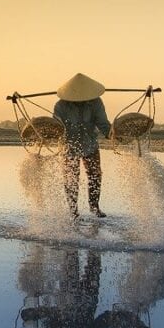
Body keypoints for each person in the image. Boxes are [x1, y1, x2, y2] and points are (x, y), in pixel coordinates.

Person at [53, 73, 111, 220]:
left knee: (95, 174)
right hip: (68, 145)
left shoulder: (95, 102)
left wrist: (113, 135)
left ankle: (94, 206)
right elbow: (57, 127)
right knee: (71, 177)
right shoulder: (61, 105)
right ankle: (73, 211)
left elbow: (103, 123)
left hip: (90, 142)